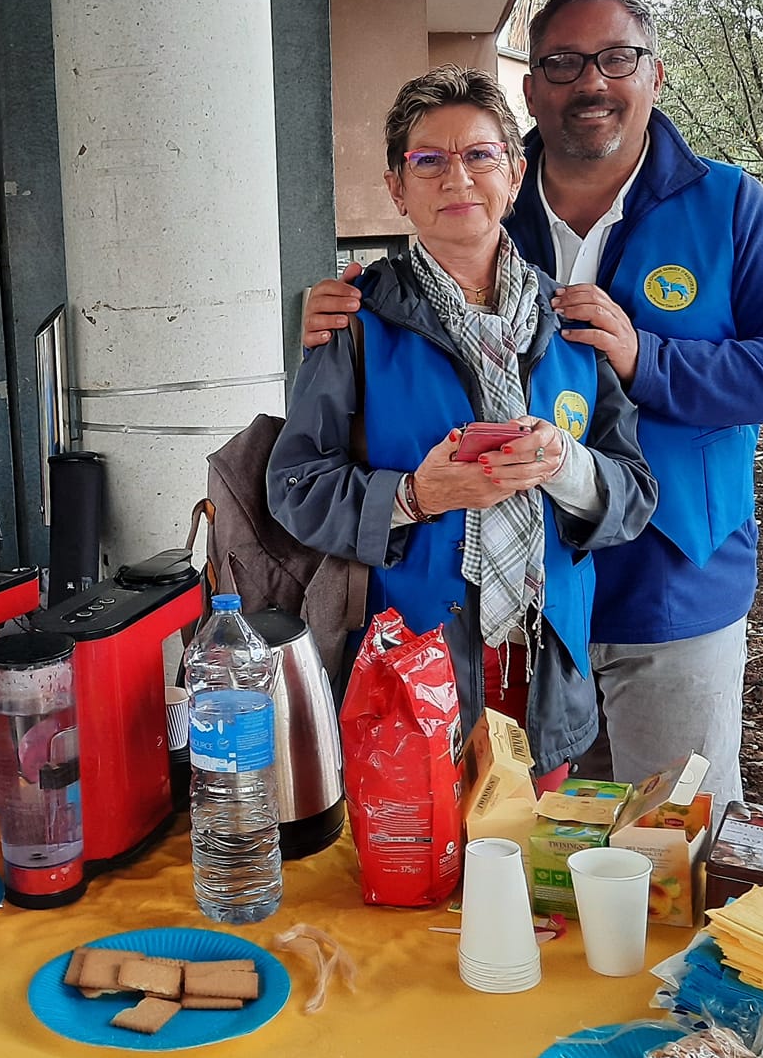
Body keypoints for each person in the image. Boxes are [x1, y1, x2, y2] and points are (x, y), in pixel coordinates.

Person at [302, 0, 763, 804]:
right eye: (562, 62)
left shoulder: (728, 206)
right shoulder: (483, 208)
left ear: (653, 75)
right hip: (504, 606)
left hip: (671, 580)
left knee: (672, 837)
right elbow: (336, 438)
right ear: (531, 88)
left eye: (616, 58)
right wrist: (335, 318)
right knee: (542, 846)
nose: (591, 81)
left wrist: (646, 359)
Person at [269, 66, 657, 776]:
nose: (458, 179)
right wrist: (416, 497)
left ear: (514, 174)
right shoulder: (357, 322)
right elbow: (295, 486)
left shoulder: (571, 319)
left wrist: (565, 466)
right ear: (396, 187)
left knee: (521, 874)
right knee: (417, 876)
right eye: (428, 161)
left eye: (480, 155)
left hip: (542, 670)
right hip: (409, 671)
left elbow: (632, 491)